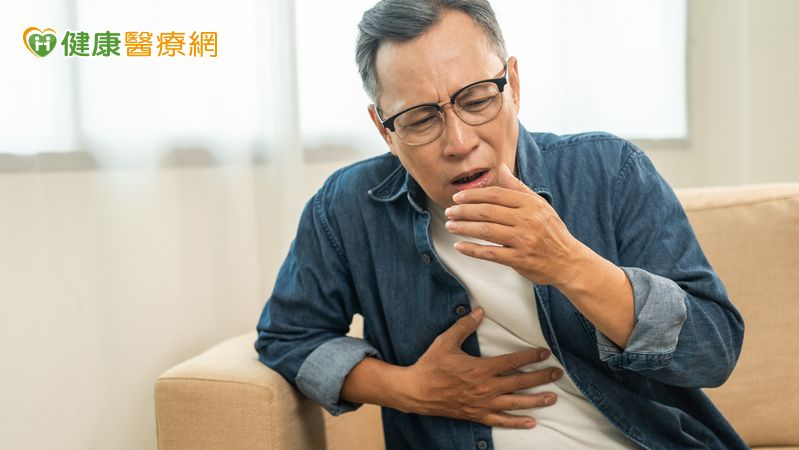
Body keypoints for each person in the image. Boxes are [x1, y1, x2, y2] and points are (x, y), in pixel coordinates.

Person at [255, 0, 746, 448]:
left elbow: (713, 350)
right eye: (421, 119)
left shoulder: (610, 170)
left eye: (475, 100)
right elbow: (288, 337)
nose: (459, 142)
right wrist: (409, 389)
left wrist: (569, 263)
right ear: (385, 130)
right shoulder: (347, 208)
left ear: (513, 83)